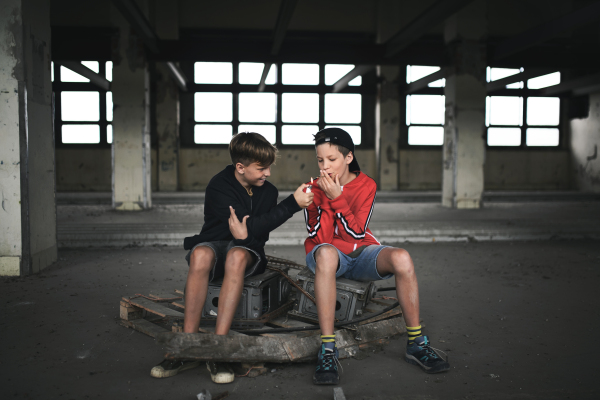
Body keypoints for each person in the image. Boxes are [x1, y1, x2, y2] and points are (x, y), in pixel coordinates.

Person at [151, 132, 314, 383]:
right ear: (240, 167)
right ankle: (187, 345)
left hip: (248, 251)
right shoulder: (219, 186)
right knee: (201, 255)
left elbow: (255, 232)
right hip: (214, 242)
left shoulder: (268, 192)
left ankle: (219, 347)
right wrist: (291, 204)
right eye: (261, 168)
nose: (267, 173)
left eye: (269, 168)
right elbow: (249, 227)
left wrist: (249, 232)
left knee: (236, 256)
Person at [304, 127, 450, 385]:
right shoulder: (312, 189)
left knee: (402, 257)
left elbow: (356, 233)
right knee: (326, 253)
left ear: (348, 158)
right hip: (326, 254)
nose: (324, 167)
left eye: (332, 159)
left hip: (359, 251)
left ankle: (416, 343)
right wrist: (326, 198)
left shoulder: (366, 185)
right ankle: (328, 349)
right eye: (320, 160)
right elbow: (320, 236)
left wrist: (338, 198)